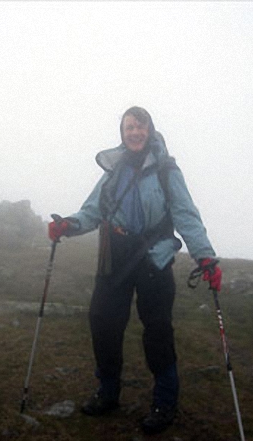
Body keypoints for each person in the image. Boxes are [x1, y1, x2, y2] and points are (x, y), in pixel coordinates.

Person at [48, 106, 221, 435]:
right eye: (129, 128)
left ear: (150, 131)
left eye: (140, 127)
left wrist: (205, 258)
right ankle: (108, 392)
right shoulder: (113, 171)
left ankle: (165, 402)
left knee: (157, 330)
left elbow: (186, 216)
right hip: (115, 254)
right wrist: (68, 225)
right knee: (103, 322)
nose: (135, 133)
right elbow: (93, 210)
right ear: (122, 133)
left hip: (154, 257)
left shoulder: (168, 171)